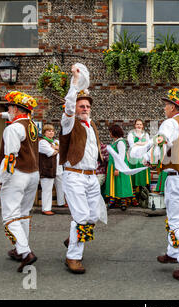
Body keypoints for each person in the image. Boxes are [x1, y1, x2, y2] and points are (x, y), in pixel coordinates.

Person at [143, 88, 179, 281]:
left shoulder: (171, 122)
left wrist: (149, 157)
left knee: (176, 223)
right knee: (175, 215)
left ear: (174, 107)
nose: (165, 108)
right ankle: (173, 251)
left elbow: (162, 140)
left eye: (167, 105)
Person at [59, 65, 104, 274]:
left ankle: (73, 237)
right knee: (82, 217)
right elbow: (68, 107)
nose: (85, 108)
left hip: (91, 176)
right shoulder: (69, 123)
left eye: (87, 106)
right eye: (81, 106)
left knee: (94, 215)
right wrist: (74, 85)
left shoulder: (91, 125)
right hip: (74, 176)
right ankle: (73, 257)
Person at [0, 91, 39, 272]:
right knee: (23, 214)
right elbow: (18, 116)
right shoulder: (31, 124)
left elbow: (10, 157)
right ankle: (19, 249)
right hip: (33, 174)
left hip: (17, 175)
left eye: (9, 106)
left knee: (10, 216)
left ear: (16, 109)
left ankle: (25, 252)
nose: (8, 109)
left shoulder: (12, 129)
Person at [104, 124, 134, 210]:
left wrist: (118, 169)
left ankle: (123, 201)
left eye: (110, 132)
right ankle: (113, 200)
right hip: (113, 165)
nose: (109, 134)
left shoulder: (120, 142)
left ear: (114, 132)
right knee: (115, 183)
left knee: (121, 183)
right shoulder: (116, 142)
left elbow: (121, 156)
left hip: (118, 166)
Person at [39, 124, 66, 216]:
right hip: (47, 168)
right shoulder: (42, 142)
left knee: (61, 186)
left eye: (52, 131)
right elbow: (51, 153)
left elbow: (64, 150)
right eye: (48, 131)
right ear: (44, 133)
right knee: (47, 189)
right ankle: (46, 208)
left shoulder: (55, 142)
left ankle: (61, 202)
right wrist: (56, 149)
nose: (51, 132)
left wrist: (56, 148)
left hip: (58, 168)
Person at [128, 119, 151, 206]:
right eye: (137, 124)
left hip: (143, 159)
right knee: (134, 178)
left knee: (142, 178)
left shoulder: (146, 134)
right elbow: (132, 145)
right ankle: (133, 198)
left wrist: (138, 143)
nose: (139, 126)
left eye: (140, 124)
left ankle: (143, 199)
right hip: (134, 159)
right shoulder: (131, 134)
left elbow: (148, 145)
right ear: (135, 125)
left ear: (142, 126)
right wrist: (142, 143)